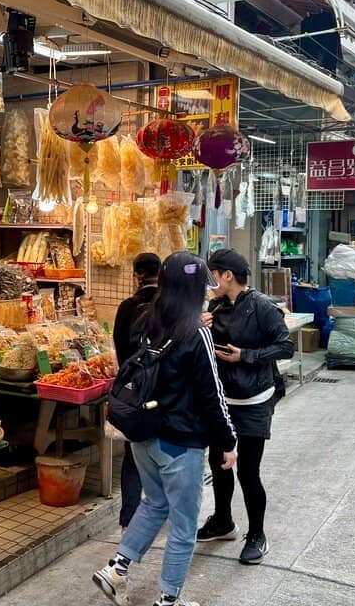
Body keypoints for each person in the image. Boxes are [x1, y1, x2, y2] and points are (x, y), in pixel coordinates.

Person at [93, 252, 237, 606]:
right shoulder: (196, 332)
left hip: (145, 434)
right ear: (192, 289)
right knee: (185, 527)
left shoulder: (148, 321)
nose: (207, 293)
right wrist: (229, 440)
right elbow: (212, 394)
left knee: (154, 503)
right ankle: (168, 601)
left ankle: (117, 569)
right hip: (180, 442)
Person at [198, 248, 293, 565]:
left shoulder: (262, 306)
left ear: (228, 275)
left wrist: (246, 356)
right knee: (218, 464)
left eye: (214, 275)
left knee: (248, 472)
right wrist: (201, 327)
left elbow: (285, 346)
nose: (211, 282)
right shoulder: (216, 305)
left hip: (254, 400)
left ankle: (257, 535)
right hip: (224, 401)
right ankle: (223, 521)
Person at [111, 252, 161, 530]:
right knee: (163, 454)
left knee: (133, 456)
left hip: (136, 392)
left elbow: (120, 351)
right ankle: (159, 511)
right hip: (164, 393)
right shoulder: (170, 306)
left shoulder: (128, 307)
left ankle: (128, 519)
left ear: (135, 276)